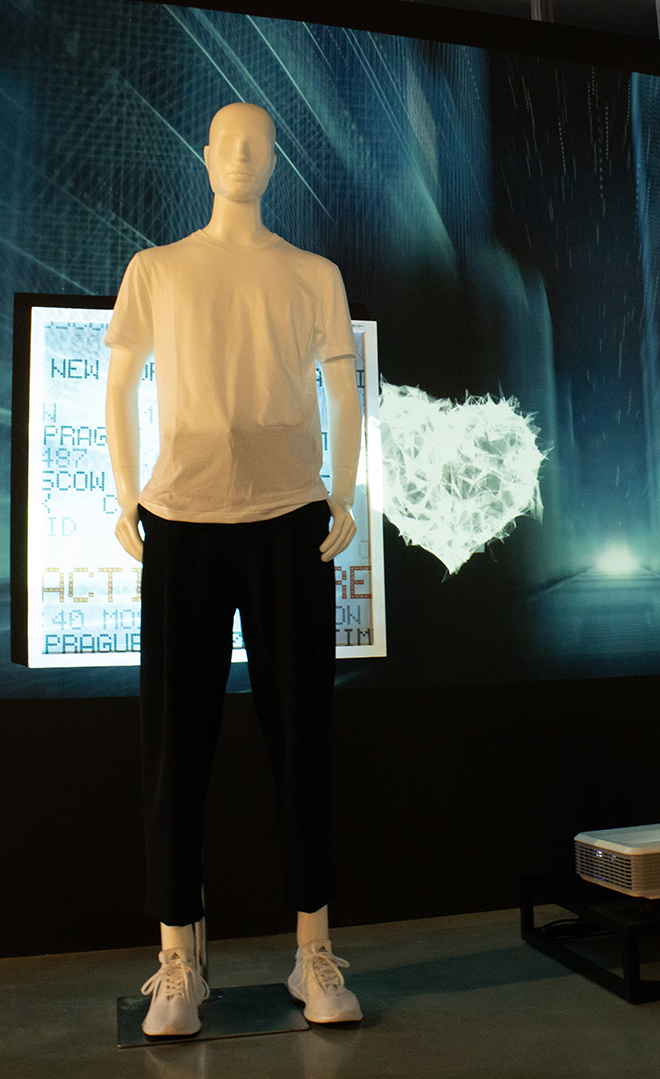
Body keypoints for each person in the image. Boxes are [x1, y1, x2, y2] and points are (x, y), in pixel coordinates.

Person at [105, 103, 364, 1035]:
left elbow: (343, 386)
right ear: (206, 156)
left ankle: (312, 950)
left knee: (303, 736)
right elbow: (119, 379)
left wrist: (342, 491)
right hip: (182, 517)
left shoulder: (313, 274)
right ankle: (178, 959)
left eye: (258, 144)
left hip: (288, 516)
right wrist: (127, 492)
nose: (244, 155)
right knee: (176, 742)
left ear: (274, 161)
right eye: (229, 142)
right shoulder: (158, 269)